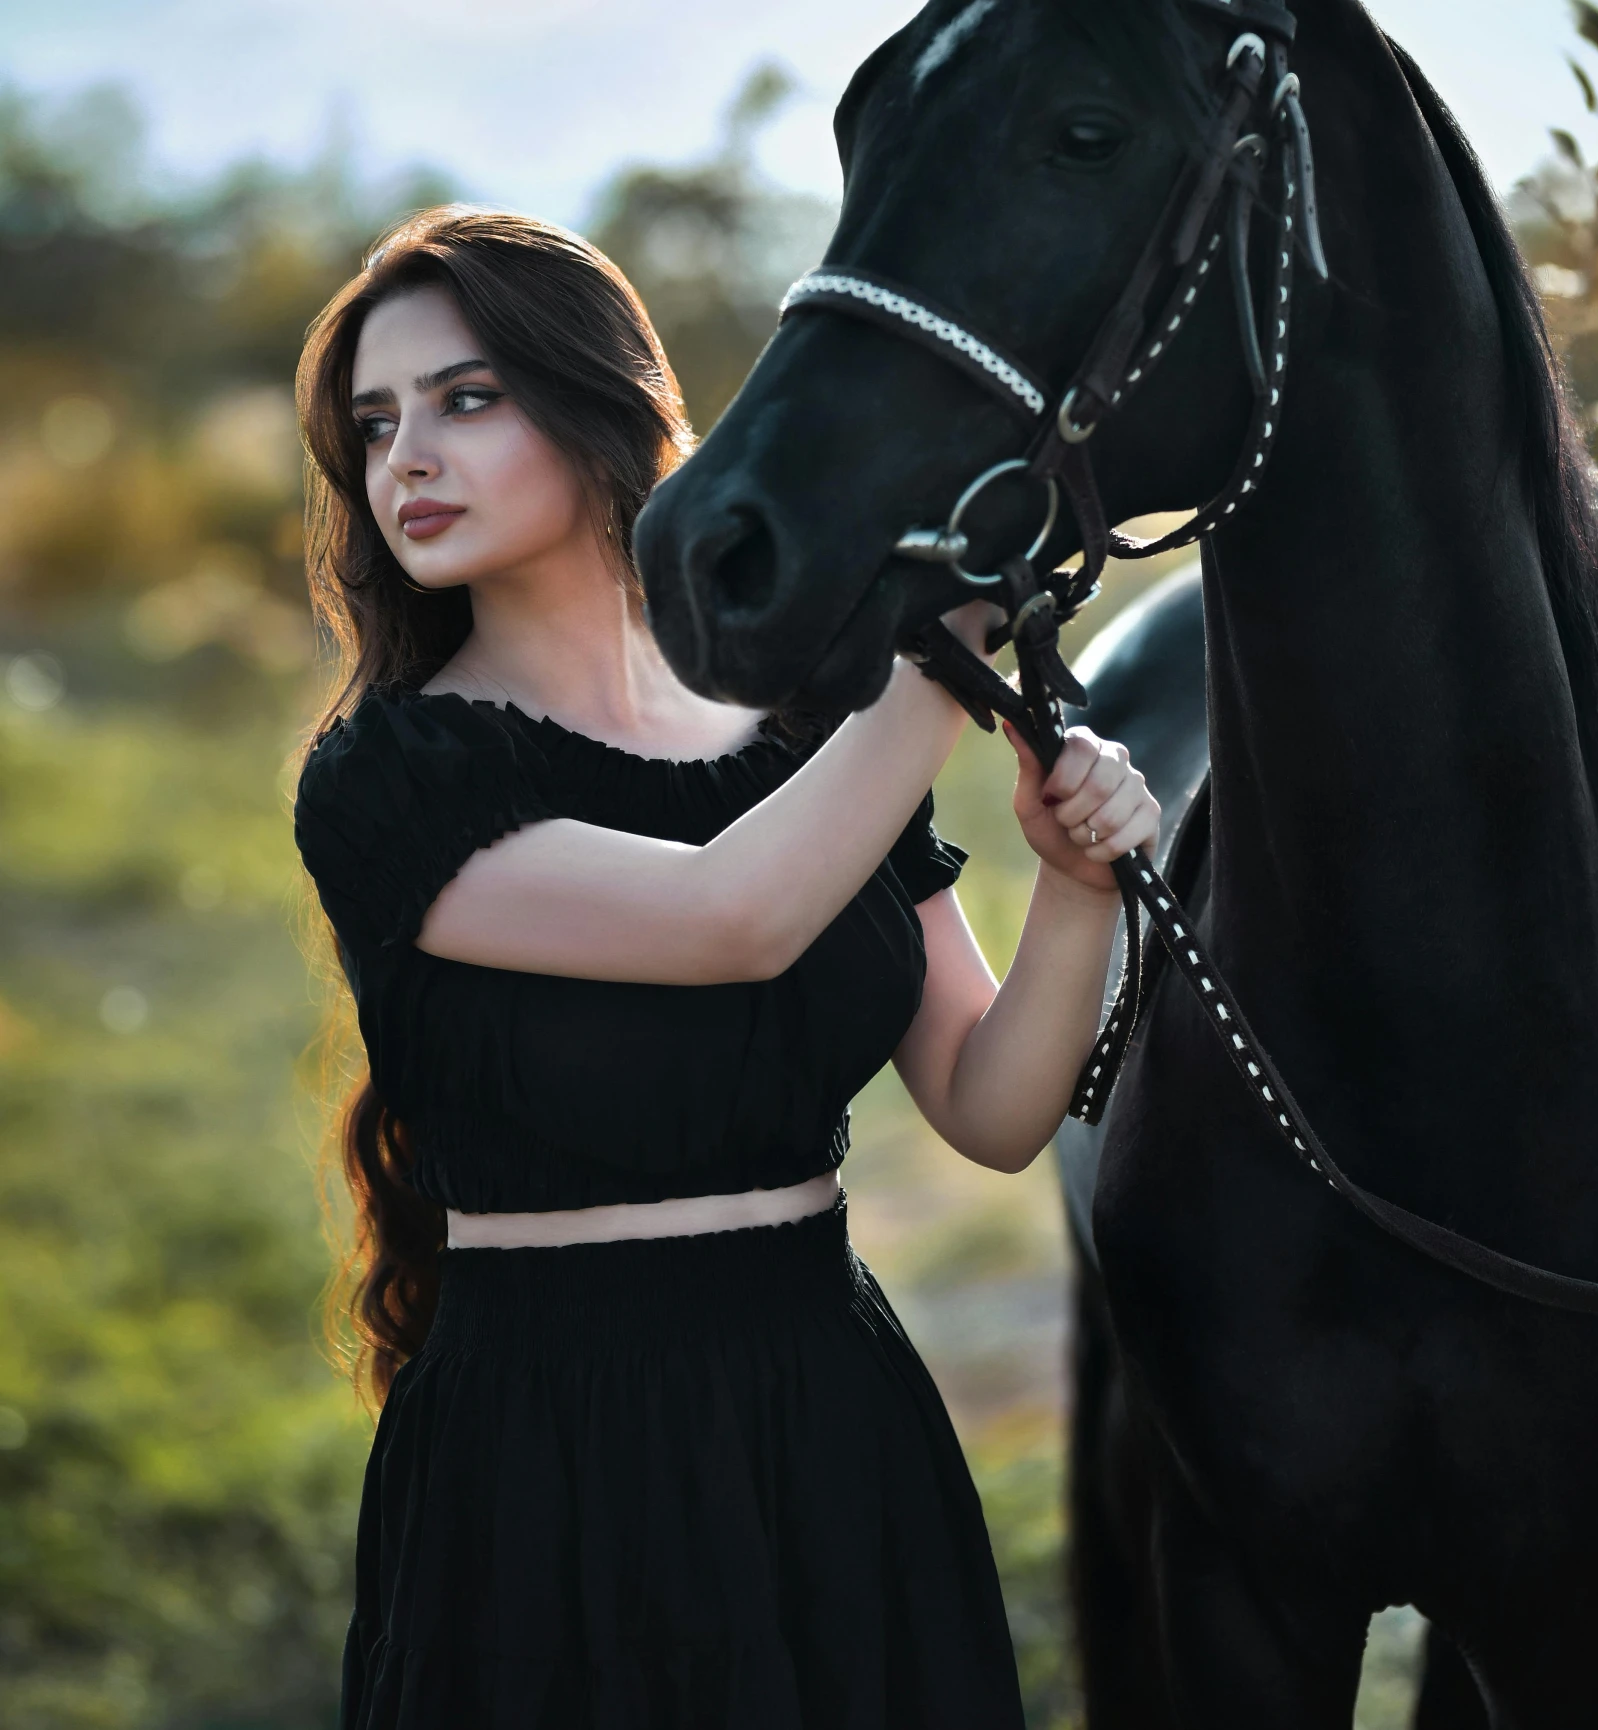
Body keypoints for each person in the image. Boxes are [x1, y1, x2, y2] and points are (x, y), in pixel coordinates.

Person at [292, 206, 1159, 1730]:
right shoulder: (391, 778)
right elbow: (725, 917)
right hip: (554, 1457)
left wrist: (1081, 885)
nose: (405, 457)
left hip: (831, 1423)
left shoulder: (805, 734)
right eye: (375, 424)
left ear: (602, 400)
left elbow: (994, 1103)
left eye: (465, 397)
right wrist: (943, 648)